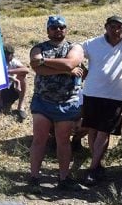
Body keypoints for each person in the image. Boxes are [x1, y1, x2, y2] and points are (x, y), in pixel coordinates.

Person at [28, 15, 85, 193]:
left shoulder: (75, 47)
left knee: (63, 141)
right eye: (53, 27)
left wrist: (47, 63)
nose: (57, 30)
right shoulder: (38, 48)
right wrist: (67, 70)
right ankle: (34, 177)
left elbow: (70, 62)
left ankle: (63, 178)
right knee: (39, 139)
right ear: (48, 30)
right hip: (42, 101)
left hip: (66, 102)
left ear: (66, 29)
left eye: (61, 27)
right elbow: (37, 67)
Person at [79, 16, 122, 185]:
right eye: (112, 26)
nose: (116, 30)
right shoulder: (92, 43)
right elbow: (76, 55)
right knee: (93, 130)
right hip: (92, 93)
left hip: (115, 95)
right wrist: (84, 71)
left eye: (119, 27)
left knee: (104, 131)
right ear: (106, 27)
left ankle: (93, 167)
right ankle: (98, 164)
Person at [0, 43, 30, 121]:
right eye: (8, 54)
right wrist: (14, 79)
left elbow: (26, 70)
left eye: (11, 54)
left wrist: (8, 71)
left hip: (11, 90)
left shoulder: (13, 61)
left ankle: (20, 106)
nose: (11, 56)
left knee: (23, 76)